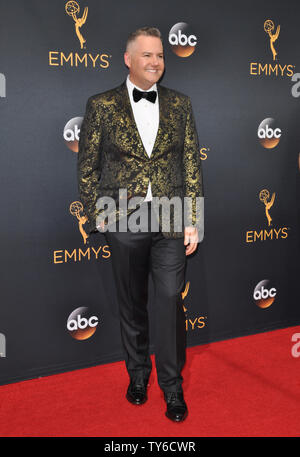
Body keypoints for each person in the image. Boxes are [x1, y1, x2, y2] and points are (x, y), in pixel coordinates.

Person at [78, 26, 204, 422]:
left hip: (169, 215)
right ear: (128, 59)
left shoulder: (180, 104)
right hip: (123, 218)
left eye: (161, 55)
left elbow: (190, 164)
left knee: (168, 301)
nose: (156, 62)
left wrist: (192, 218)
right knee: (132, 305)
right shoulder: (101, 105)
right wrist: (98, 215)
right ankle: (137, 375)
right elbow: (88, 166)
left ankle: (172, 386)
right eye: (148, 55)